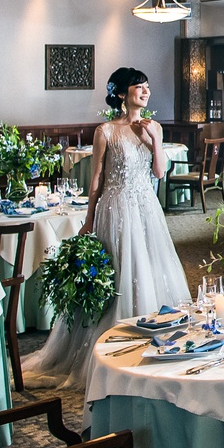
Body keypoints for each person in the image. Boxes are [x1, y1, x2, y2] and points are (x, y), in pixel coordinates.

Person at [22, 67, 190, 389]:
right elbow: (96, 179)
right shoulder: (106, 131)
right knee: (119, 268)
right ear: (123, 94)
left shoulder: (154, 127)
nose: (145, 91)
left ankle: (154, 341)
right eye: (139, 87)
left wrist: (154, 140)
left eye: (147, 86)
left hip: (146, 208)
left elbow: (159, 172)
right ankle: (111, 348)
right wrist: (88, 220)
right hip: (115, 207)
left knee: (149, 266)